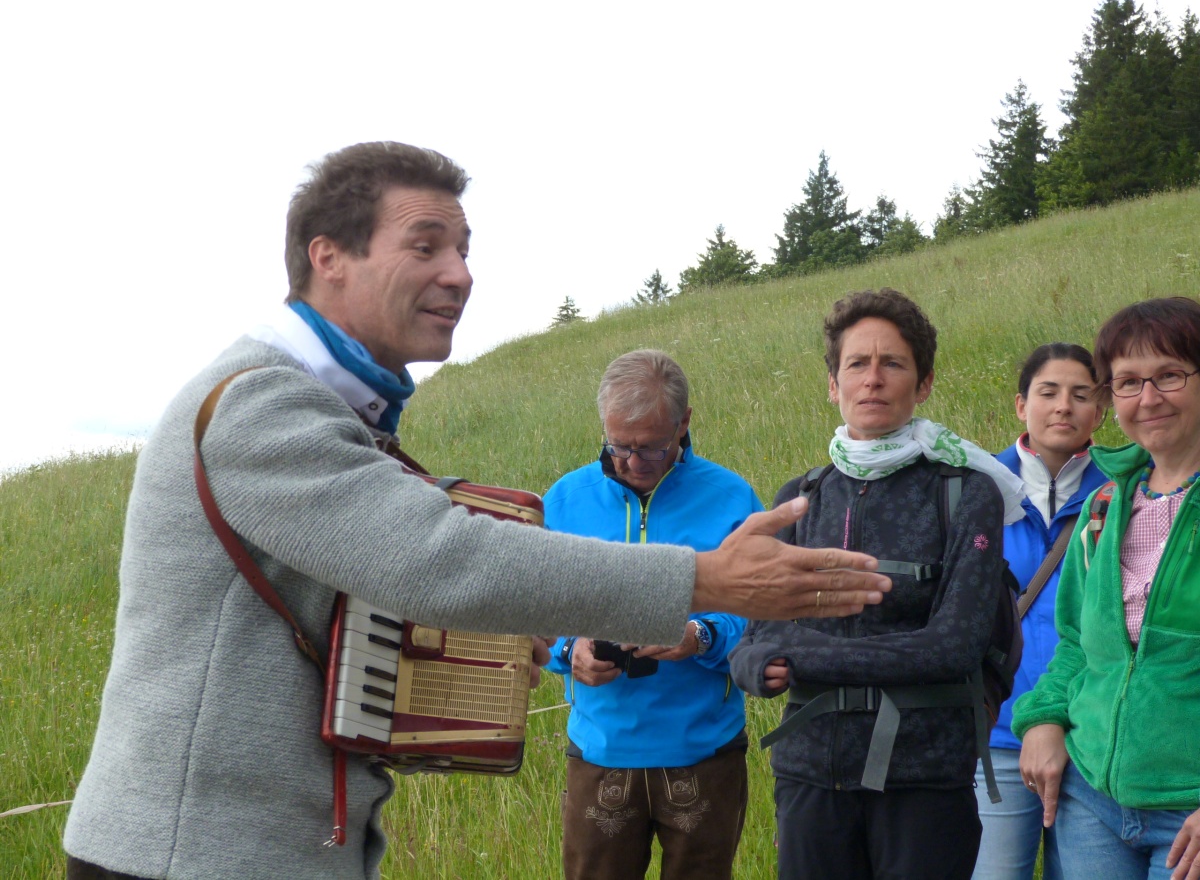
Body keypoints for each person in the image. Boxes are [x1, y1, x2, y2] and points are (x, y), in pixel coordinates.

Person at [61, 142, 891, 880]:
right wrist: (706, 579)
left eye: (463, 248)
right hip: (189, 854)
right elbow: (440, 558)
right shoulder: (264, 405)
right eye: (425, 246)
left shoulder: (330, 411)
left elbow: (386, 586)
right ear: (329, 258)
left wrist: (501, 642)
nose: (460, 272)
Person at [730, 288, 1025, 880]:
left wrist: (807, 656)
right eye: (856, 364)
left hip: (925, 779)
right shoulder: (798, 498)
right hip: (809, 775)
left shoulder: (966, 492)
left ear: (924, 384)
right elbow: (753, 638)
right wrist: (758, 667)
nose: (873, 379)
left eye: (892, 363)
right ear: (833, 384)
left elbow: (954, 646)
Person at [544, 349, 762, 880]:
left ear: (685, 423)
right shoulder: (563, 500)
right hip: (600, 752)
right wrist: (570, 652)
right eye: (618, 447)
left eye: (652, 449)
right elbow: (532, 613)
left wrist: (702, 636)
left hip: (705, 753)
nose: (632, 464)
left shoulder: (733, 499)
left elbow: (761, 620)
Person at [1013, 297, 1200, 880]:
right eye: (1126, 382)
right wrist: (1043, 720)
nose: (1148, 398)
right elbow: (1075, 640)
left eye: (1169, 375)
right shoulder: (1104, 505)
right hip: (1090, 798)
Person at [972, 343, 1107, 880]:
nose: (1063, 407)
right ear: (1020, 404)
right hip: (998, 735)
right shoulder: (973, 489)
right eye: (1048, 393)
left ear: (1100, 410)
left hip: (1092, 739)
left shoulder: (1126, 490)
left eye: (1081, 395)